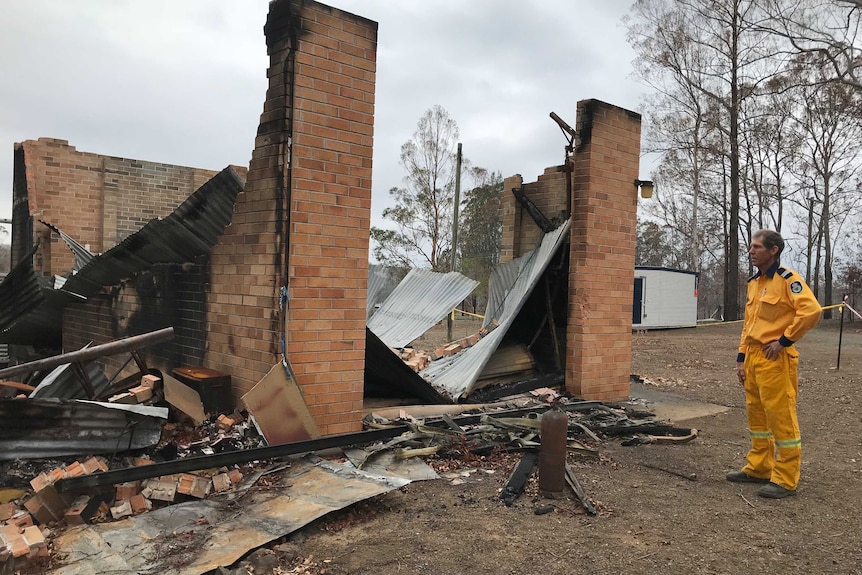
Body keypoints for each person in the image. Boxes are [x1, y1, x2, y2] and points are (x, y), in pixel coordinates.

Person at [727, 229, 822, 498]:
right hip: (754, 357)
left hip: (775, 358)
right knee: (757, 416)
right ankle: (759, 467)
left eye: (757, 247)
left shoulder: (787, 279)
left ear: (773, 250)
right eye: (751, 246)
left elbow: (811, 311)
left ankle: (785, 478)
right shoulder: (754, 283)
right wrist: (741, 357)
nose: (751, 251)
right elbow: (749, 325)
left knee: (781, 417)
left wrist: (784, 340)